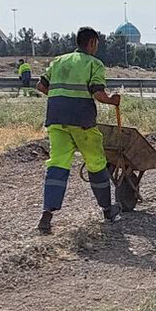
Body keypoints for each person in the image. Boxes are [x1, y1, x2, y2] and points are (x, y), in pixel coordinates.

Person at [35, 26, 121, 234]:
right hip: (82, 121)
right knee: (96, 163)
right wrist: (112, 100)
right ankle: (108, 210)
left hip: (56, 120)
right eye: (96, 44)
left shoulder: (59, 61)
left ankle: (47, 214)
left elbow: (41, 86)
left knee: (57, 164)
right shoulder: (94, 64)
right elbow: (98, 94)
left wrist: (61, 98)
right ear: (92, 43)